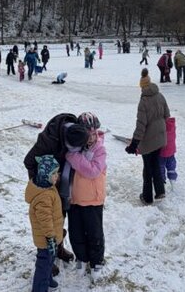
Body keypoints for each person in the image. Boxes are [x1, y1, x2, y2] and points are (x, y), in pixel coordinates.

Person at [65, 113, 107, 274]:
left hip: (93, 200)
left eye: (94, 133)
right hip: (75, 198)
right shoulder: (74, 148)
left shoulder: (100, 150)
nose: (91, 137)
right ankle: (81, 258)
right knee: (76, 233)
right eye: (87, 133)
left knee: (95, 233)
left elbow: (92, 171)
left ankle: (96, 261)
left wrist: (73, 157)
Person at [127, 69, 170, 204]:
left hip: (149, 140)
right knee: (155, 163)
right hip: (160, 137)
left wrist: (134, 144)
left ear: (142, 86)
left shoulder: (144, 101)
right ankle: (160, 191)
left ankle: (147, 197)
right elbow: (167, 115)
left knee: (147, 167)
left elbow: (141, 125)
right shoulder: (160, 95)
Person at [26, 155, 63, 292]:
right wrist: (51, 238)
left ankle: (47, 279)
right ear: (45, 175)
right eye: (53, 173)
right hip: (46, 239)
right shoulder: (44, 197)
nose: (57, 176)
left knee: (49, 262)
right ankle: (39, 288)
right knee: (44, 264)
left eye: (57, 172)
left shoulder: (47, 187)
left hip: (49, 237)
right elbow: (45, 220)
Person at [159, 117, 178, 184]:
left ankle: (162, 182)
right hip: (171, 152)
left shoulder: (160, 127)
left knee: (160, 168)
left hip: (161, 153)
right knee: (171, 167)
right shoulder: (172, 125)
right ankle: (173, 180)